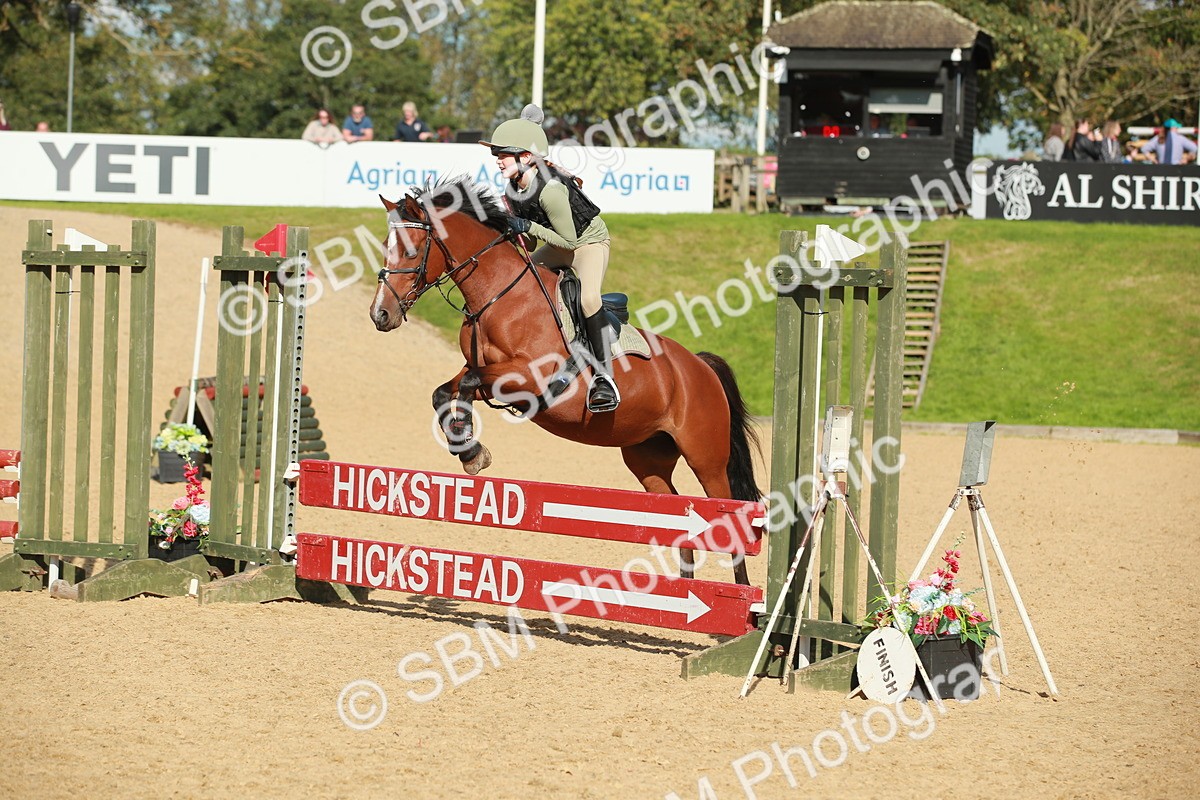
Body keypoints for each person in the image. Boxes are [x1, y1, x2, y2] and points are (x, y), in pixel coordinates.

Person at [479, 104, 619, 413]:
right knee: (522, 281)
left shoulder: (551, 188)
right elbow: (528, 243)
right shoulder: (513, 187)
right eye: (497, 156)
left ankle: (603, 378)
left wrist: (526, 225)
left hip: (587, 243)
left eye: (503, 155)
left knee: (588, 300)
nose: (498, 161)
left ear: (525, 157)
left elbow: (569, 241)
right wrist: (508, 228)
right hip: (561, 242)